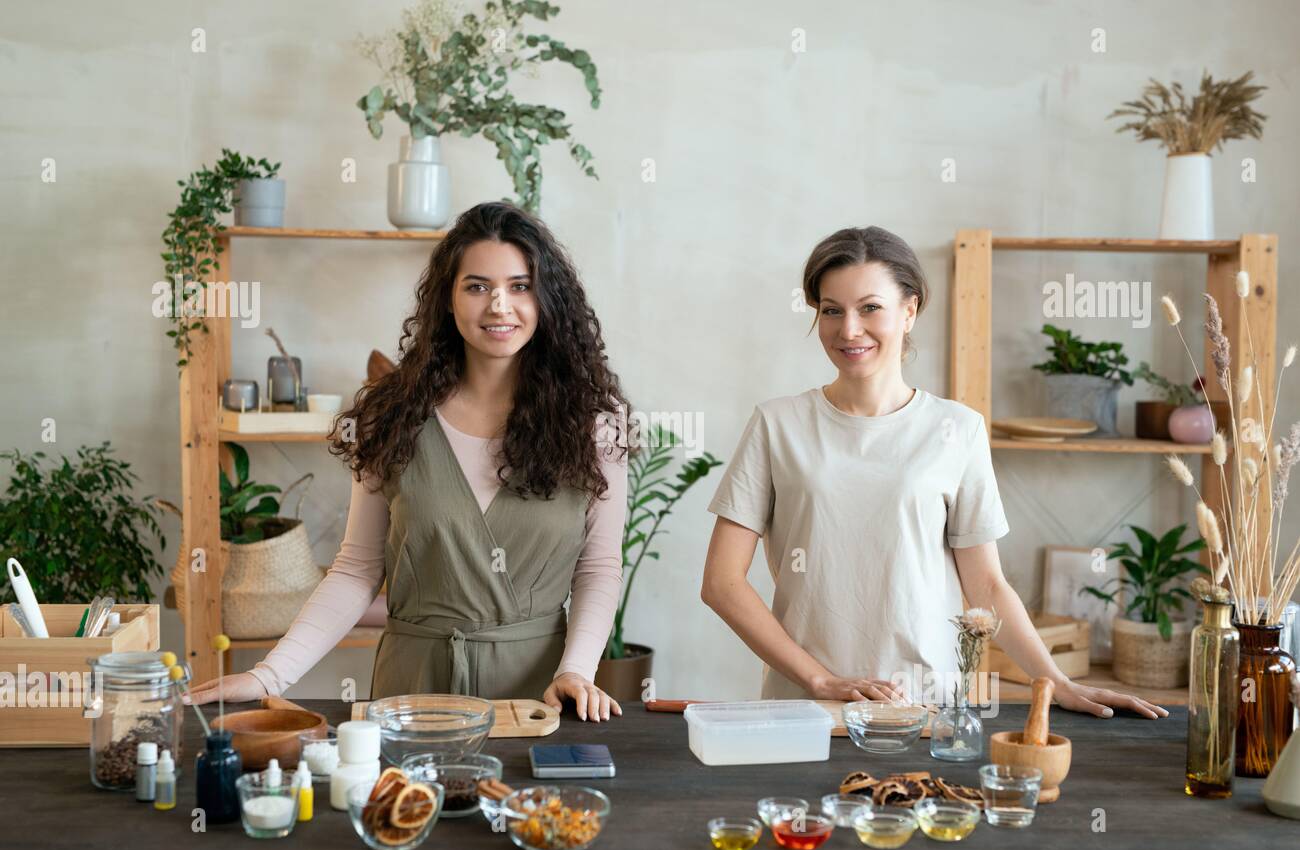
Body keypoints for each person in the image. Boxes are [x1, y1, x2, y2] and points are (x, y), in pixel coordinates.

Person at [700, 225, 1168, 719]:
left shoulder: (958, 430)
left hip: (924, 710)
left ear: (910, 309)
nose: (848, 329)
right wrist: (820, 680)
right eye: (831, 310)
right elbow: (722, 582)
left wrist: (1055, 682)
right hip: (806, 710)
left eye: (870, 307)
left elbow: (985, 586)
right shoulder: (777, 424)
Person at [188, 201, 630, 721]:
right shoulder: (390, 415)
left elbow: (598, 569)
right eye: (477, 286)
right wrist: (269, 674)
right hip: (411, 692)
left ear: (547, 298)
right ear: (447, 298)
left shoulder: (595, 422)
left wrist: (575, 671)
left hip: (540, 700)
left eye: (520, 285)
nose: (499, 306)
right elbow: (357, 570)